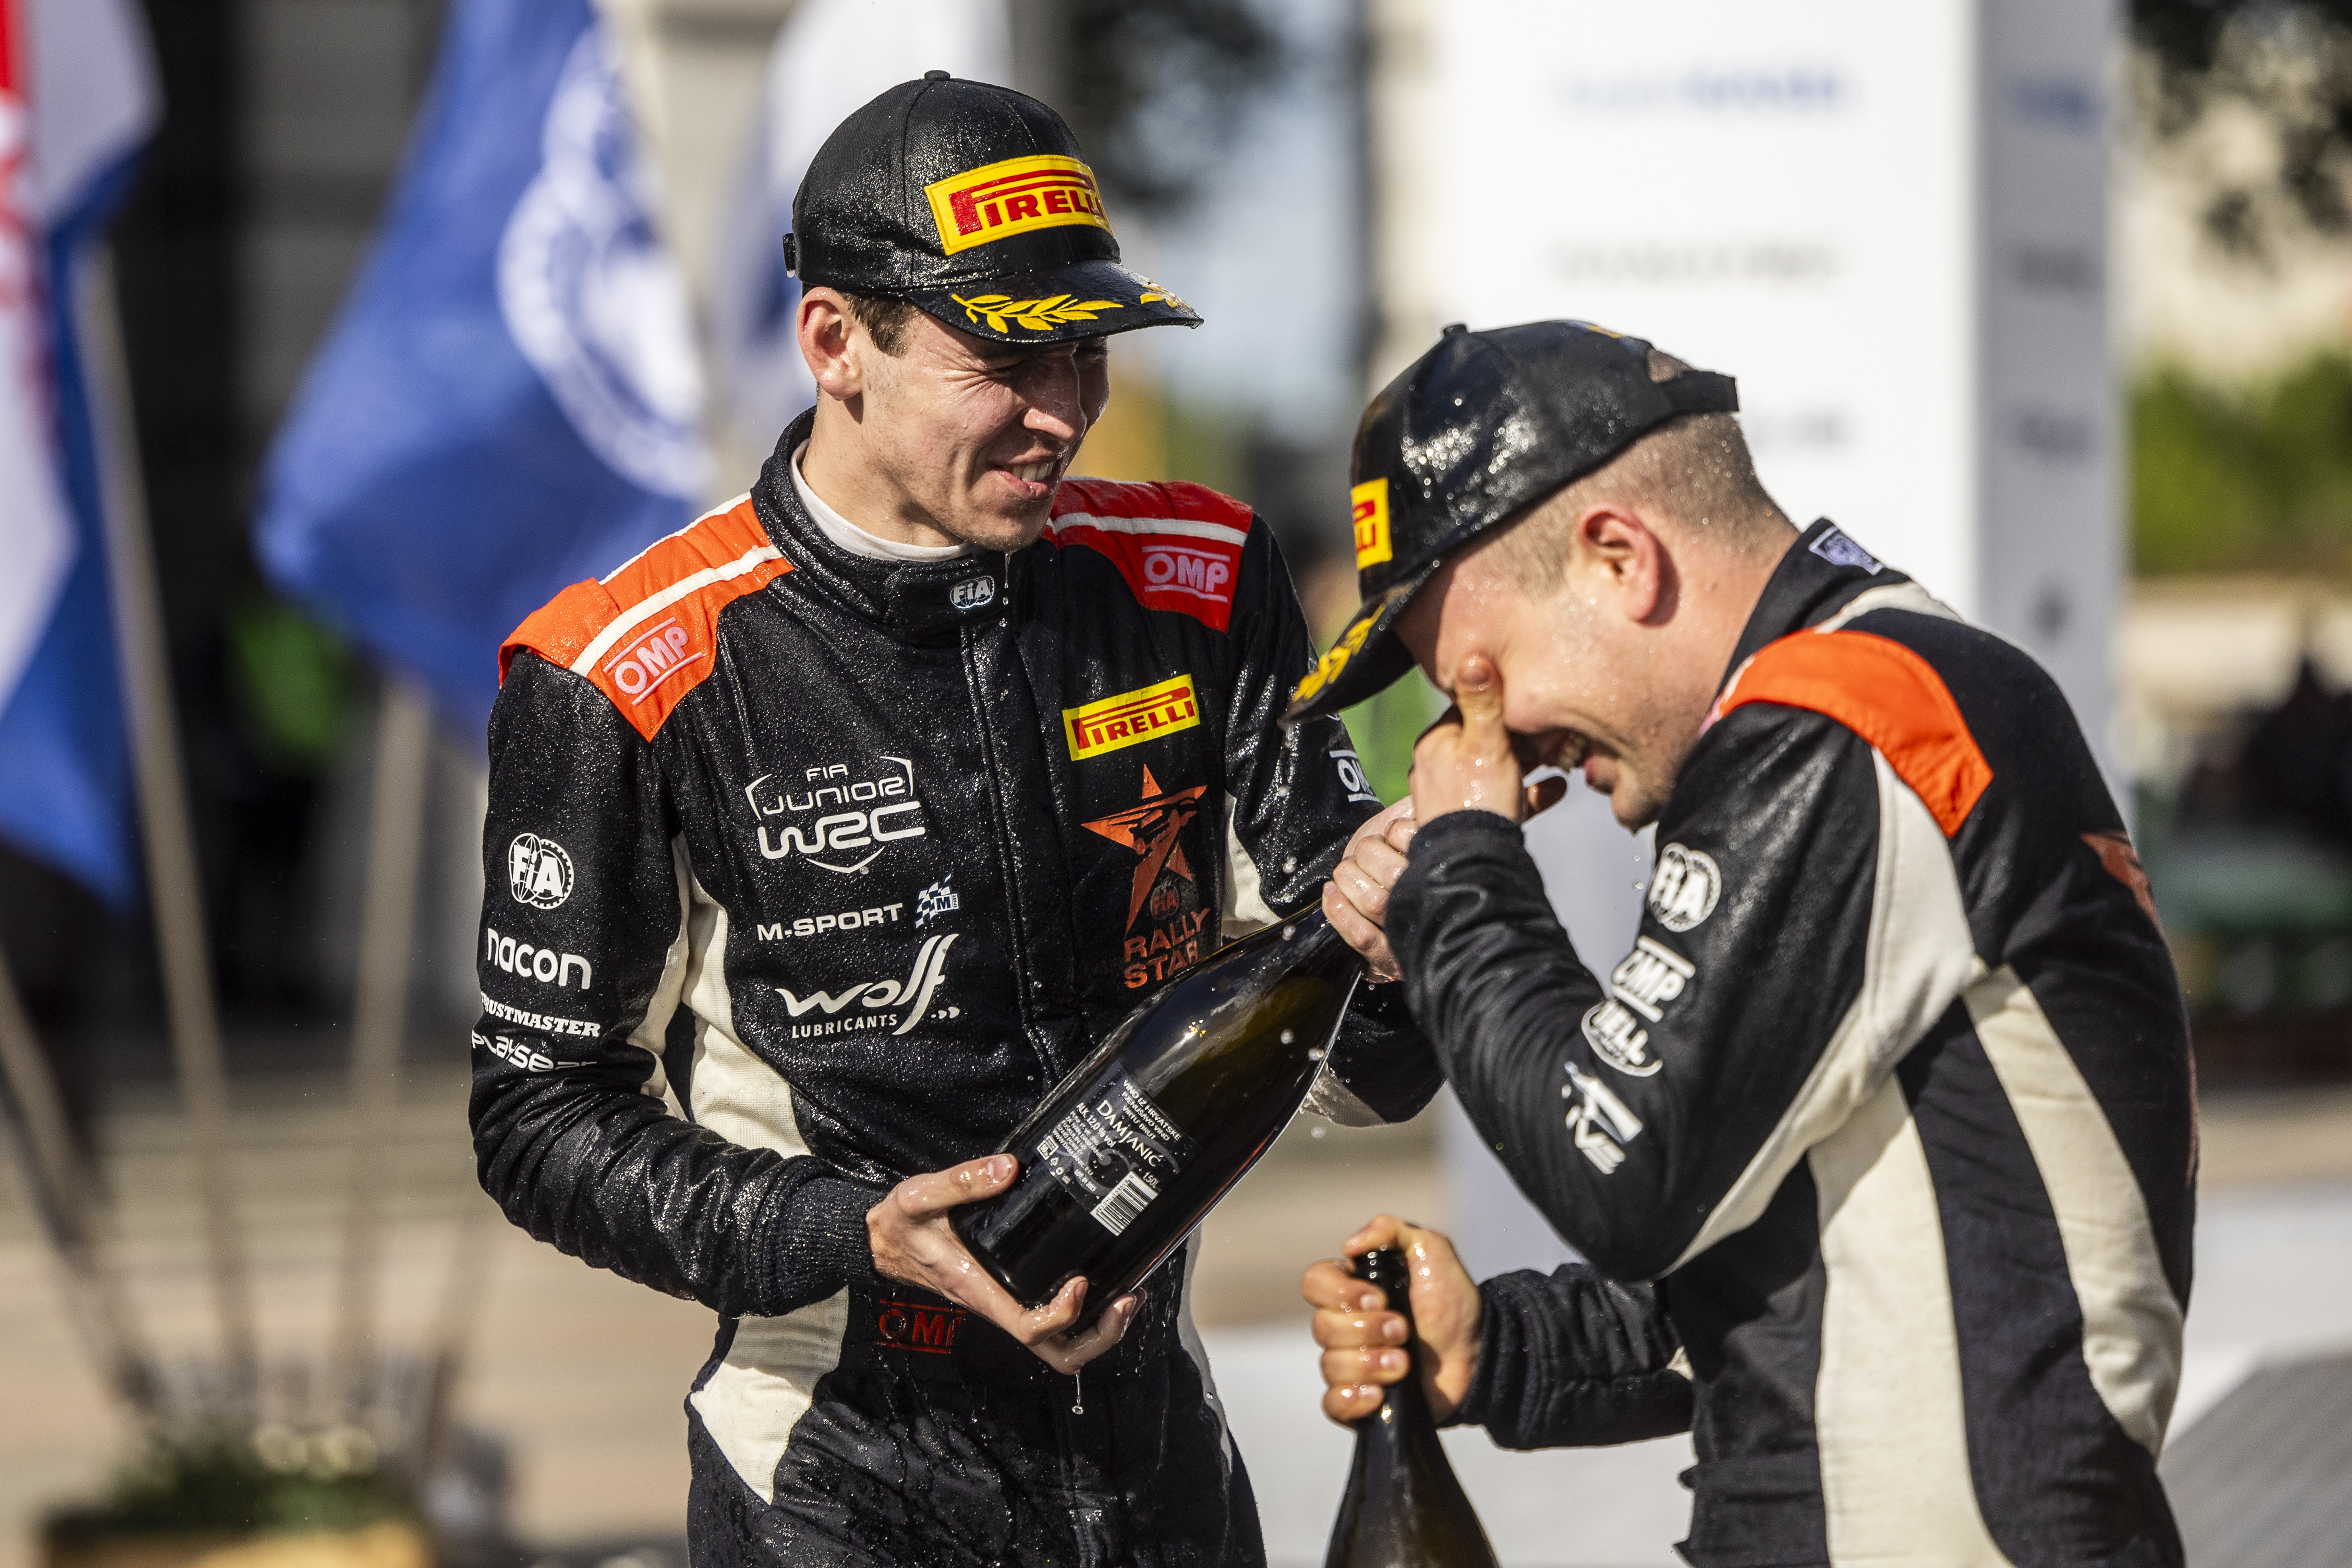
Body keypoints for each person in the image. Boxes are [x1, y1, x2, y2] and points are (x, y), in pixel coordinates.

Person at [469, 75, 1436, 1568]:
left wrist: (1400, 930)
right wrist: (853, 1231)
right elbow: (538, 1121)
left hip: (1159, 1466)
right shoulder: (626, 671)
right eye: (1006, 358)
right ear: (834, 342)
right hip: (836, 1472)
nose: (1064, 412)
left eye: (1087, 351)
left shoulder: (1197, 578)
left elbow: (1383, 1067)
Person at [1300, 320, 2195, 1564]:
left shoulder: (1853, 716)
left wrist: (1463, 865)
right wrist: (1498, 1349)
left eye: (1483, 684)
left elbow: (1623, 1170)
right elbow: (1775, 1254)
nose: (1481, 745)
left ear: (1620, 558)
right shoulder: (1853, 710)